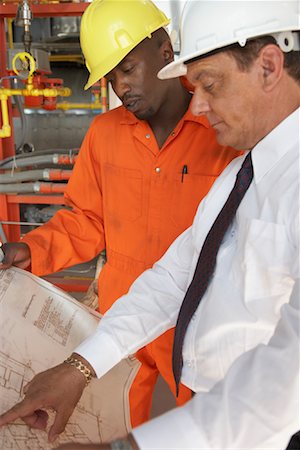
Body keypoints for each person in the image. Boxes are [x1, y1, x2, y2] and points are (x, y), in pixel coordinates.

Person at [1, 0, 299, 449]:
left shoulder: (250, 161)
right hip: (133, 318)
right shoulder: (242, 175)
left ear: (270, 67)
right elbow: (174, 274)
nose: (199, 105)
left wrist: (135, 447)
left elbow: (284, 379)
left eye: (210, 84)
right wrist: (79, 366)